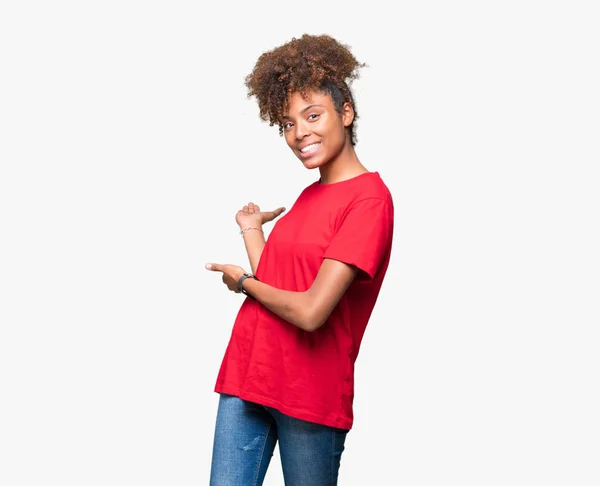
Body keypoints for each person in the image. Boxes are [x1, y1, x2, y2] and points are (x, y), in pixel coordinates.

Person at [205, 33, 394, 486]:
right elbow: (281, 279)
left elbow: (311, 312)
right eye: (288, 123)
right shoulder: (310, 195)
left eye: (313, 116)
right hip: (248, 372)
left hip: (308, 391)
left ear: (345, 112)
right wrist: (252, 229)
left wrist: (243, 283)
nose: (299, 133)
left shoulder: (369, 201)